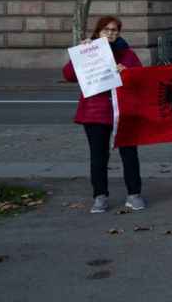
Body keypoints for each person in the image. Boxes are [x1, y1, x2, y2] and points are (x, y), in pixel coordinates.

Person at [62, 16, 145, 213]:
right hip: (95, 112)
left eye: (115, 30)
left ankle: (134, 195)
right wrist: (81, 53)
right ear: (98, 32)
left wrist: (127, 72)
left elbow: (141, 78)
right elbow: (68, 75)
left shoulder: (127, 54)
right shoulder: (88, 50)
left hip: (123, 111)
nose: (111, 33)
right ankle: (100, 196)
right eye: (106, 30)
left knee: (129, 154)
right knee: (98, 157)